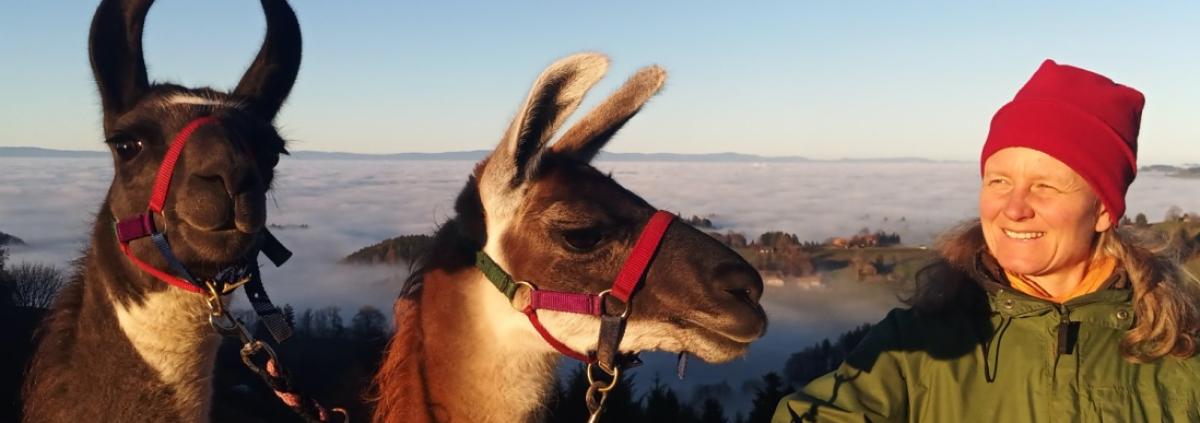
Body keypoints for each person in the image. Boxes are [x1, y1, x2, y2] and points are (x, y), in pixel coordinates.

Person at [773, 60, 1200, 422]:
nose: (1013, 208)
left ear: (1104, 211)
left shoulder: (1179, 348)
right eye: (999, 181)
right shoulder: (918, 345)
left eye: (1045, 187)